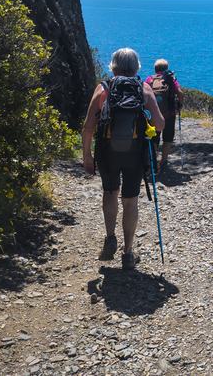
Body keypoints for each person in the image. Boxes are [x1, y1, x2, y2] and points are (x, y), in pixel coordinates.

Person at [82, 48, 164, 270]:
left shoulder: (103, 88)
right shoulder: (143, 88)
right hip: (135, 152)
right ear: (136, 66)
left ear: (113, 65)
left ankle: (110, 238)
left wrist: (87, 156)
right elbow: (160, 123)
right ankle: (128, 253)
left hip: (107, 151)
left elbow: (88, 127)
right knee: (130, 200)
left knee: (110, 193)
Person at [145, 58, 183, 173]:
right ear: (166, 68)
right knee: (168, 138)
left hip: (154, 114)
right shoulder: (171, 79)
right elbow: (180, 93)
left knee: (154, 138)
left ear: (155, 69)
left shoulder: (149, 79)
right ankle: (164, 161)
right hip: (169, 114)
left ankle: (153, 162)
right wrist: (179, 105)